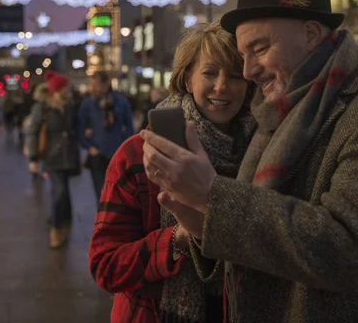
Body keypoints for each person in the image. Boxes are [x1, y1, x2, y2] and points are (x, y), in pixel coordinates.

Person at [140, 0, 358, 323]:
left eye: (259, 48)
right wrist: (203, 224)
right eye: (242, 54)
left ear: (311, 34)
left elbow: (348, 249)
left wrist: (212, 197)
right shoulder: (272, 117)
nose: (248, 71)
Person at [90, 22, 255, 322]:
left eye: (235, 75)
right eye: (209, 73)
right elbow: (106, 266)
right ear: (187, 79)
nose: (222, 86)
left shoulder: (262, 152)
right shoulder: (138, 154)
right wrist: (179, 238)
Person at [26, 71, 81, 248]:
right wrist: (33, 158)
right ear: (56, 90)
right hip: (52, 156)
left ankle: (60, 221)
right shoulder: (42, 108)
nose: (68, 90)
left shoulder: (71, 106)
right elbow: (32, 132)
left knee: (63, 191)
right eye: (64, 87)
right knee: (60, 192)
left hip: (69, 155)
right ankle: (55, 231)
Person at [78, 71, 134, 201]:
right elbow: (80, 127)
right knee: (101, 193)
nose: (94, 88)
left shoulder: (120, 102)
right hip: (97, 153)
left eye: (96, 85)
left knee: (118, 191)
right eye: (92, 85)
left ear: (105, 84)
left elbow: (129, 126)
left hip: (116, 153)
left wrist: (125, 145)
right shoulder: (88, 104)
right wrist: (89, 146)